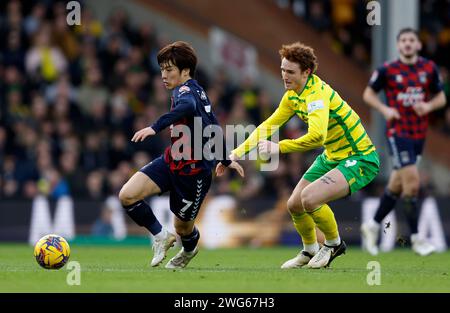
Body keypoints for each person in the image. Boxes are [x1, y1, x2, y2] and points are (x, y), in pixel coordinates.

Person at [219, 41, 380, 269]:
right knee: (294, 204)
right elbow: (266, 127)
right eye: (283, 70)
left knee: (310, 198)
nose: (284, 76)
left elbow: (317, 137)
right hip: (333, 155)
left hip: (360, 157)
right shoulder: (293, 95)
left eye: (290, 72)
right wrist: (235, 153)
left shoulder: (316, 95)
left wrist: (279, 147)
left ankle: (334, 244)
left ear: (306, 72)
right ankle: (309, 250)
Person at [119, 41, 244, 269]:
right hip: (172, 161)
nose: (163, 76)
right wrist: (226, 159)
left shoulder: (185, 92)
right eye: (162, 70)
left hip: (194, 173)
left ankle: (188, 251)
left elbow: (187, 107)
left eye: (169, 70)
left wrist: (154, 127)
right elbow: (212, 124)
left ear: (185, 71)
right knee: (127, 195)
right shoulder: (197, 91)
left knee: (183, 228)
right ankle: (160, 236)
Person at [361, 28, 446, 256]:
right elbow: (368, 94)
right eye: (403, 40)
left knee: (397, 185)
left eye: (412, 40)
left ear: (418, 45)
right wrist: (384, 109)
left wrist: (428, 106)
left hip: (419, 133)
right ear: (398, 46)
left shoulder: (428, 68)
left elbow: (441, 97)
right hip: (397, 133)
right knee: (413, 182)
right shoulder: (387, 70)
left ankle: (372, 225)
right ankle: (418, 239)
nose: (407, 44)